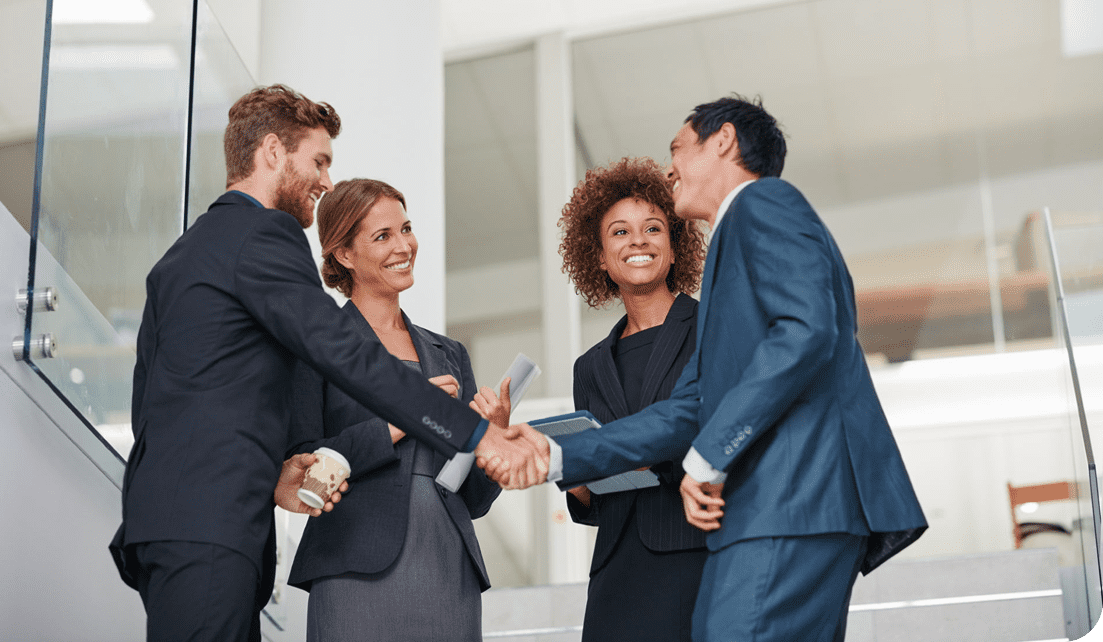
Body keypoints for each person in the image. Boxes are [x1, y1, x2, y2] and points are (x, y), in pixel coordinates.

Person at [109, 84, 543, 642]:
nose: (325, 180)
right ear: (272, 152)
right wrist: (475, 433)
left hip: (178, 520)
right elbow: (345, 353)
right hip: (212, 524)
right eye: (318, 160)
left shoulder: (183, 255)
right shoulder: (263, 233)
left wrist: (273, 478)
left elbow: (155, 400)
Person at [486, 96, 928, 642]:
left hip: (790, 502)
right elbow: (689, 408)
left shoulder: (764, 202)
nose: (670, 167)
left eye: (678, 147)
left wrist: (709, 457)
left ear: (721, 142)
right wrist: (551, 452)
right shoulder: (732, 248)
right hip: (781, 511)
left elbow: (807, 330)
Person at [285, 178, 508, 642]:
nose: (404, 245)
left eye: (406, 229)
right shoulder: (315, 347)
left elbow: (474, 499)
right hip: (353, 567)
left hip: (448, 566)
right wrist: (403, 418)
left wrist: (494, 442)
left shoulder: (448, 354)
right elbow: (305, 477)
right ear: (345, 254)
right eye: (383, 236)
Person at [557, 157, 708, 642]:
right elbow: (596, 497)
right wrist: (572, 478)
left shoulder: (711, 328)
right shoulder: (590, 366)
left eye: (653, 228)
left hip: (697, 559)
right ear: (599, 256)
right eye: (619, 232)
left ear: (674, 243)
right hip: (616, 573)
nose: (638, 240)